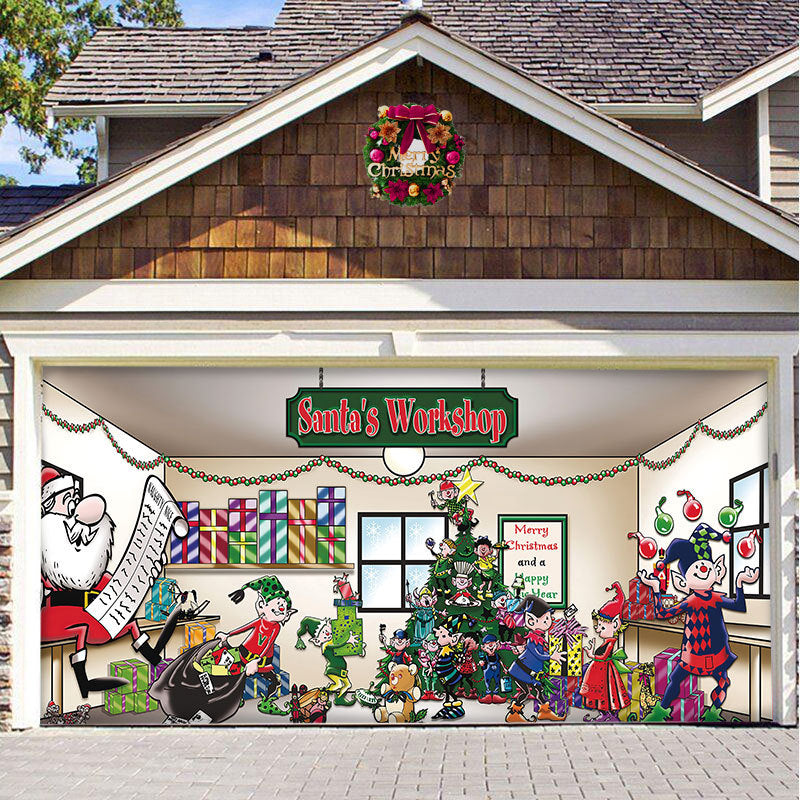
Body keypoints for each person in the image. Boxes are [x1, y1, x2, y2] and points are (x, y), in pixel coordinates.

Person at [40, 466, 180, 697]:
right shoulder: (50, 536)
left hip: (89, 608)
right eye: (67, 499)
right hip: (58, 611)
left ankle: (156, 661)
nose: (74, 505)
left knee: (130, 623)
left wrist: (144, 569)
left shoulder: (77, 539)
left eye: (74, 498)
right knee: (81, 629)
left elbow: (98, 577)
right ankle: (83, 682)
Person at [638, 523, 759, 723]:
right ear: (683, 581)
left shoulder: (714, 598)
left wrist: (739, 582)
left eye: (707, 568)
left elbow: (739, 605)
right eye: (697, 569)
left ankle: (708, 714)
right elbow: (662, 613)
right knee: (681, 679)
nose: (703, 570)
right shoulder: (692, 601)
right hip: (696, 653)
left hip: (712, 652)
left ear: (716, 572)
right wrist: (656, 589)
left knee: (718, 682)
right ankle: (662, 713)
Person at [504, 595, 566, 722]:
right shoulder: (532, 639)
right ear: (531, 621)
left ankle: (544, 712)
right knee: (525, 692)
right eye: (545, 619)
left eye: (549, 618)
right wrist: (551, 656)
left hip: (530, 672)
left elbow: (540, 653)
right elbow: (538, 655)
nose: (549, 621)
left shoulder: (539, 637)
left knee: (539, 690)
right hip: (520, 671)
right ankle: (513, 714)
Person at [579, 582, 631, 721]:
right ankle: (605, 713)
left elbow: (603, 656)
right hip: (600, 670)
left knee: (605, 692)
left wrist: (592, 655)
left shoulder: (611, 642)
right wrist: (592, 652)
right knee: (602, 693)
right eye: (598, 626)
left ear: (615, 624)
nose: (598, 630)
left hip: (604, 671)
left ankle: (609, 714)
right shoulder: (606, 641)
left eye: (602, 627)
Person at [295, 616, 361, 706]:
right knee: (338, 685)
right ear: (317, 640)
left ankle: (339, 699)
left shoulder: (331, 641)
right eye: (324, 633)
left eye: (328, 631)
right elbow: (337, 645)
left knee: (347, 685)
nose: (328, 634)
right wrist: (348, 640)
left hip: (340, 668)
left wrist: (358, 649)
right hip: (333, 668)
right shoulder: (326, 645)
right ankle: (324, 694)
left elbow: (342, 647)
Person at [478, 634, 505, 704]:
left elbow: (500, 661)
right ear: (484, 648)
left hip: (497, 670)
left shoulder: (497, 655)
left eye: (492, 645)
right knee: (487, 681)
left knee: (497, 680)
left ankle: (496, 693)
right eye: (487, 646)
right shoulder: (485, 657)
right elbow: (483, 663)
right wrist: (482, 664)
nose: (491, 648)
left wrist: (504, 668)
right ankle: (488, 694)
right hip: (488, 670)